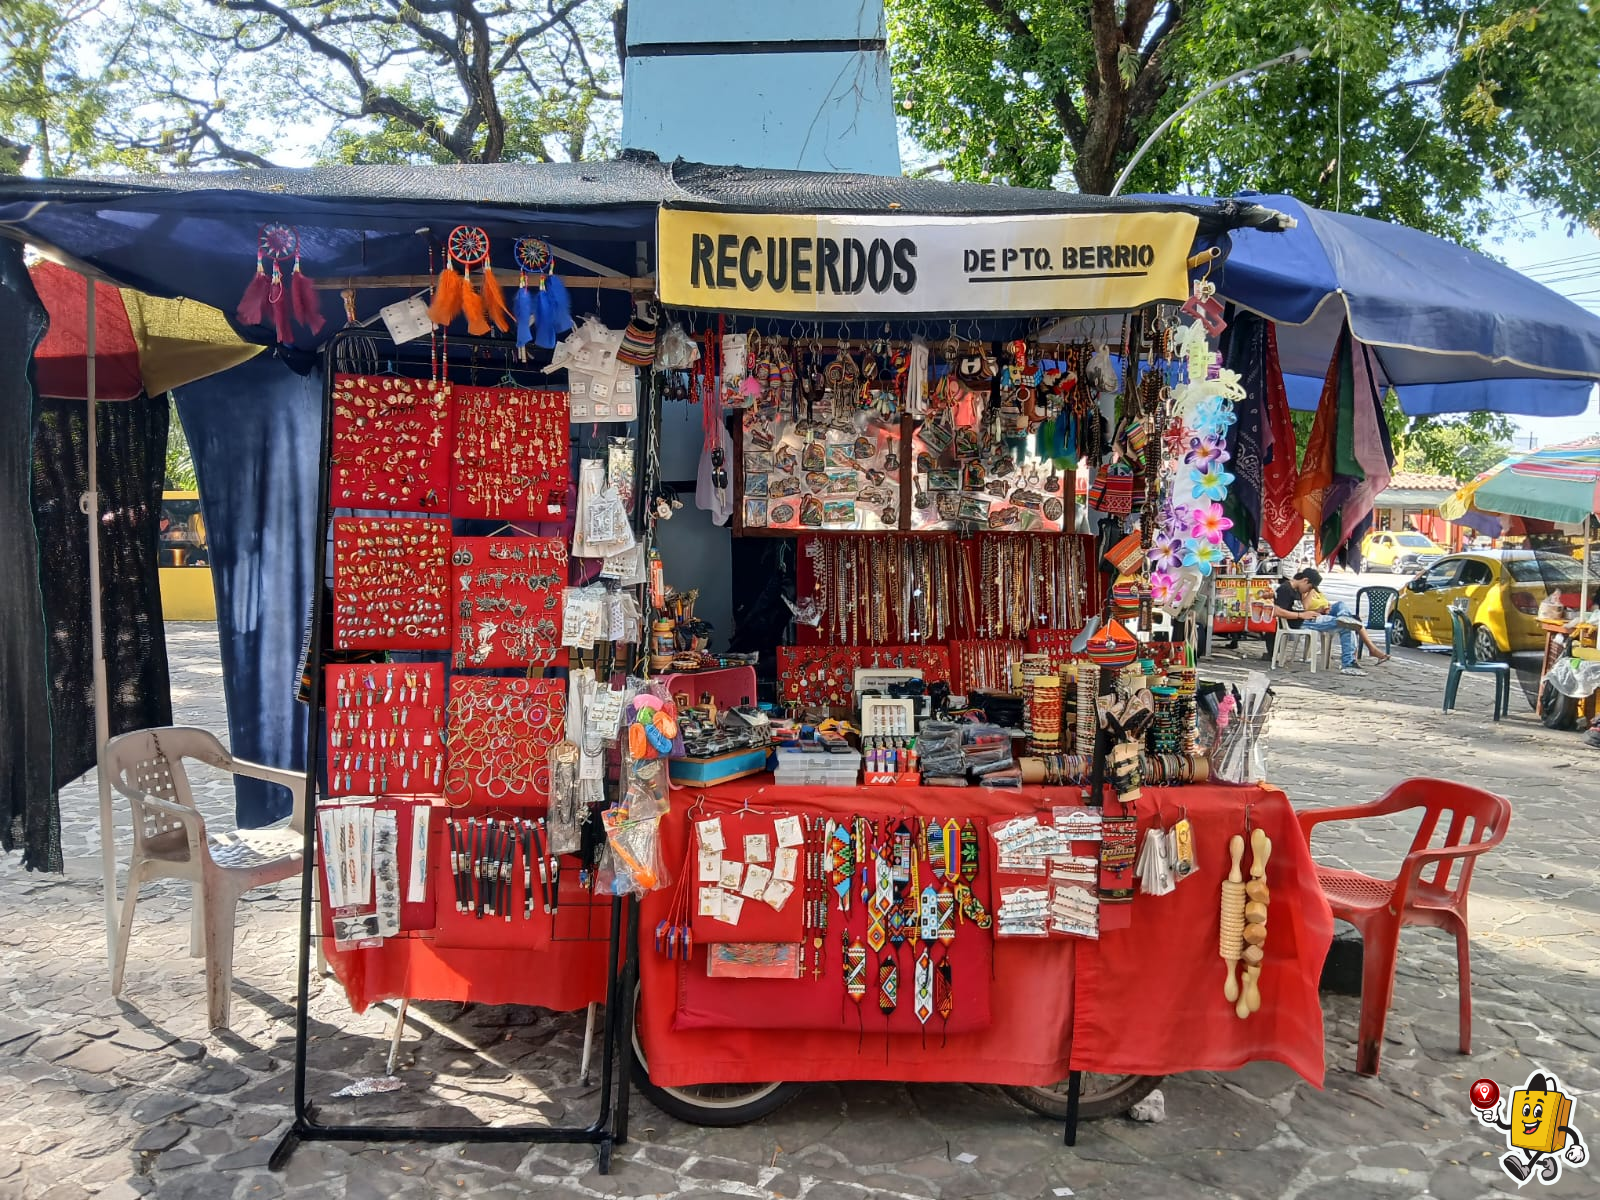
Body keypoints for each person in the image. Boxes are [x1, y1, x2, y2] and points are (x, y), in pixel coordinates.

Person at [1272, 567, 1390, 675]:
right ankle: (1348, 663)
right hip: (1300, 622)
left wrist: (1318, 611)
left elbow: (1300, 608)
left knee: (1342, 609)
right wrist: (1300, 615)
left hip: (1306, 618)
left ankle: (1345, 619)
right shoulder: (1285, 589)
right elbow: (1276, 611)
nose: (1309, 590)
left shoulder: (1297, 590)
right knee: (1347, 626)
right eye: (1310, 588)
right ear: (1305, 580)